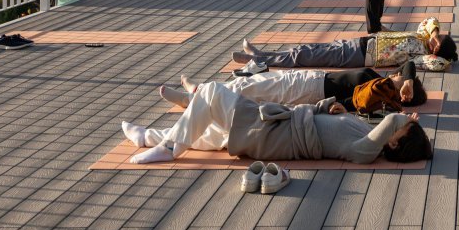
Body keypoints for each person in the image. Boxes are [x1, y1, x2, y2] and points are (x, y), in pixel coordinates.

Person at [120, 82, 434, 165]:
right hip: (280, 124)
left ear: (398, 138)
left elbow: (391, 118)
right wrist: (329, 107)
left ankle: (170, 147)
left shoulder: (367, 152)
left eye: (403, 128)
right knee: (211, 134)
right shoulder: (366, 135)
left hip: (276, 134)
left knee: (213, 92)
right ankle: (150, 137)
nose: (398, 123)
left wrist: (404, 118)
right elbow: (326, 124)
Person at [159, 63, 427, 114]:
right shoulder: (383, 80)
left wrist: (403, 91)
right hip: (312, 80)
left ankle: (194, 98)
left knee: (250, 89)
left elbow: (354, 102)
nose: (398, 75)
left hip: (310, 91)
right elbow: (409, 65)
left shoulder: (381, 93)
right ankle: (200, 91)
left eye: (401, 80)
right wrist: (410, 81)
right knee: (253, 85)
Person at [234, 19, 459, 70]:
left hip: (359, 56)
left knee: (305, 56)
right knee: (309, 50)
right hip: (361, 43)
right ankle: (262, 55)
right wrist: (436, 34)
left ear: (436, 49)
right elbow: (429, 21)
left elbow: (439, 65)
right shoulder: (422, 37)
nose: (432, 37)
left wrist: (444, 56)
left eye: (436, 41)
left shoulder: (421, 56)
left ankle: (257, 59)